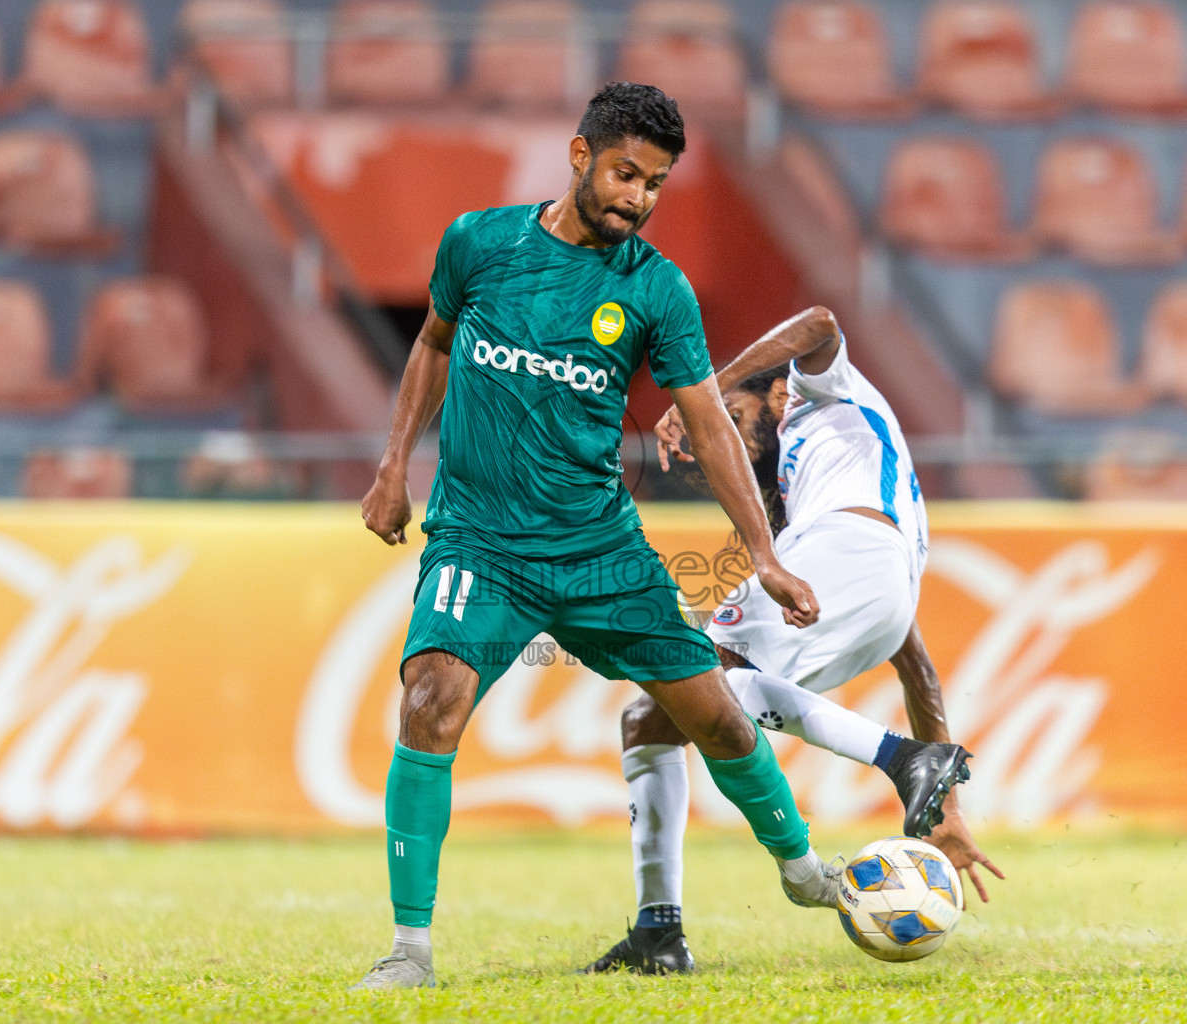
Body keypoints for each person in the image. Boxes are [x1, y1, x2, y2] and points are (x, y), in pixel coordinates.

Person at [355, 83, 891, 990]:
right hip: (481, 546)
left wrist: (762, 551)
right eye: (625, 174)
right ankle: (410, 950)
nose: (637, 198)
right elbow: (433, 346)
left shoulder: (656, 288)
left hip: (601, 553)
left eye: (655, 184)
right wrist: (392, 465)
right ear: (579, 156)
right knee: (428, 699)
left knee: (716, 716)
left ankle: (803, 871)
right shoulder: (479, 243)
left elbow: (711, 424)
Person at [586, 306, 1004, 975]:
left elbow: (819, 322)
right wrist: (946, 809)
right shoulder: (838, 476)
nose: (729, 434)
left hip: (847, 546)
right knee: (654, 716)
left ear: (775, 392)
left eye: (736, 416)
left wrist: (706, 390)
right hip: (885, 592)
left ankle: (896, 763)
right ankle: (658, 934)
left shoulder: (818, 393)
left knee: (701, 681)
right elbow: (916, 667)